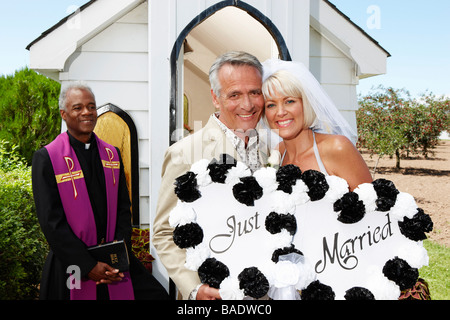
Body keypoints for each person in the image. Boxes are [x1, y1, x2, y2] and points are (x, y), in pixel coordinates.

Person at [32, 82, 168, 300]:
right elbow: (51, 222)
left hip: (112, 259)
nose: (87, 112)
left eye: (91, 106)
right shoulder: (47, 158)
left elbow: (124, 208)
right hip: (72, 263)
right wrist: (88, 265)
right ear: (63, 114)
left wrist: (116, 256)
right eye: (77, 108)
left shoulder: (112, 154)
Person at [152, 51, 268, 300]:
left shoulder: (275, 150)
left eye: (254, 92)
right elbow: (163, 232)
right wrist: (194, 288)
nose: (247, 105)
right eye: (234, 94)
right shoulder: (184, 153)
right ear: (216, 97)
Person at [262, 59, 372, 191]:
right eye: (271, 105)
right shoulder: (278, 152)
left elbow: (370, 205)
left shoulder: (337, 147)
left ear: (306, 104)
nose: (280, 112)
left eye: (290, 101)